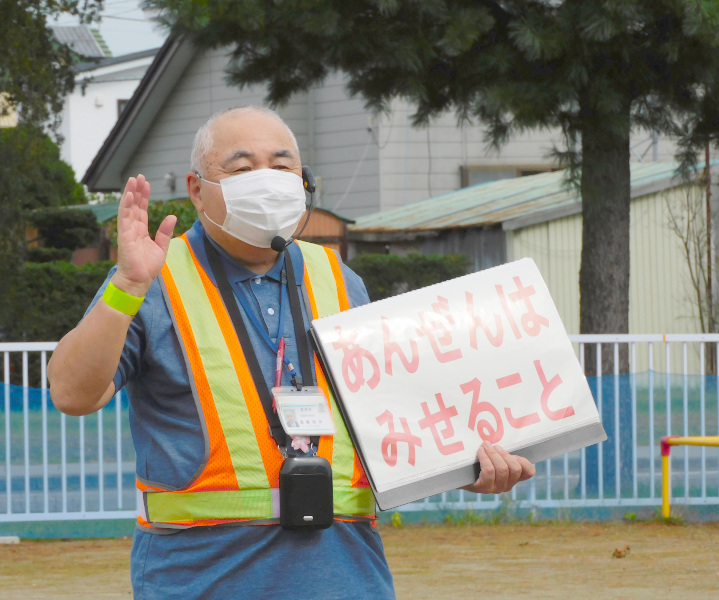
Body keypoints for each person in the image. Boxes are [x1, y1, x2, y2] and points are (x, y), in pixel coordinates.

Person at [47, 106, 536, 599]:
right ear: (196, 190)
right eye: (242, 168)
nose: (267, 179)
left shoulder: (339, 278)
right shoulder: (152, 277)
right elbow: (71, 393)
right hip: (202, 581)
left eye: (282, 166)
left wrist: (465, 466)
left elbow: (390, 422)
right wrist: (128, 285)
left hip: (347, 578)